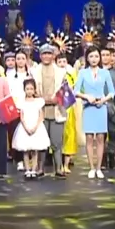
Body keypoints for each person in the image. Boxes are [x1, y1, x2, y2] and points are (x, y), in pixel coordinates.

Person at [73, 45, 114, 179]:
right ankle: (91, 167)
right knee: (89, 138)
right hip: (88, 108)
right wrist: (86, 96)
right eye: (91, 56)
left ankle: (99, 168)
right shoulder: (83, 73)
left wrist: (103, 99)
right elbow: (75, 91)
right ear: (87, 58)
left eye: (96, 56)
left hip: (101, 108)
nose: (94, 59)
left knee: (101, 138)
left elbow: (112, 92)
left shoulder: (105, 73)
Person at [31, 44, 68, 177]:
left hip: (57, 110)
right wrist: (43, 100)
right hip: (41, 111)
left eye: (49, 53)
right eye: (44, 54)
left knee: (57, 142)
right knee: (41, 142)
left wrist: (55, 99)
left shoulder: (61, 72)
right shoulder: (34, 71)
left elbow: (65, 91)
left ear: (53, 55)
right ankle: (40, 168)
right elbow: (30, 90)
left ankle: (59, 168)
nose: (46, 56)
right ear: (40, 56)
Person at [12, 79, 51, 178]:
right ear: (24, 90)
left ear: (34, 90)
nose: (29, 91)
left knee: (35, 150)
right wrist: (26, 127)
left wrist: (35, 127)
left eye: (31, 89)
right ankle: (27, 169)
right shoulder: (21, 102)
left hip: (36, 127)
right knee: (25, 151)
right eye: (27, 89)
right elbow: (21, 117)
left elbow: (41, 116)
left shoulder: (38, 102)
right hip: (25, 127)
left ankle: (34, 169)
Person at [100, 45, 115, 171]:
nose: (105, 57)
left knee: (113, 132)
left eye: (107, 55)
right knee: (101, 134)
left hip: (114, 106)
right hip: (99, 106)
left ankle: (112, 156)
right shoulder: (95, 71)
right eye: (103, 55)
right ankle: (102, 158)